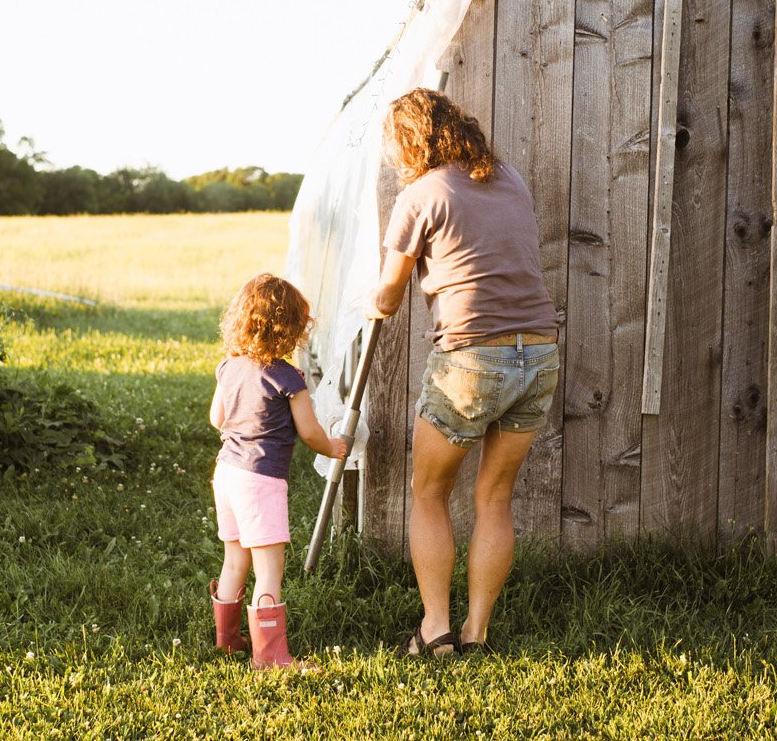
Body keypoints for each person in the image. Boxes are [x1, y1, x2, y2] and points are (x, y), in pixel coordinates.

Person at [370, 87, 560, 657]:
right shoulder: (509, 179)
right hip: (539, 353)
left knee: (429, 491)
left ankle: (435, 631)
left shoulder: (421, 194)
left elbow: (389, 294)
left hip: (472, 359)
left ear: (411, 142)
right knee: (494, 497)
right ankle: (477, 631)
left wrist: (374, 302)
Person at [207, 273, 347, 669]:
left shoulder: (228, 367)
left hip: (227, 473)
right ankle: (269, 657)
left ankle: (228, 641)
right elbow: (310, 431)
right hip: (260, 481)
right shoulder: (287, 377)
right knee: (269, 569)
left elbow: (217, 419)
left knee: (234, 561)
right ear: (291, 330)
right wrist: (333, 447)